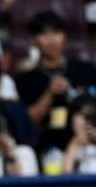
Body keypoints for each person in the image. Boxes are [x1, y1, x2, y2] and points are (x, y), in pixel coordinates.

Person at [14, 10, 96, 158]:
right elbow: (28, 121)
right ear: (34, 40)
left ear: (64, 35)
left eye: (56, 33)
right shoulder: (26, 79)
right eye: (44, 34)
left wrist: (84, 97)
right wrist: (49, 94)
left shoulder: (86, 70)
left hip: (89, 142)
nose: (52, 40)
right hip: (48, 148)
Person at [62, 96, 96, 174]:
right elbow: (65, 178)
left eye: (91, 114)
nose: (86, 120)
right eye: (81, 114)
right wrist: (75, 143)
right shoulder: (63, 146)